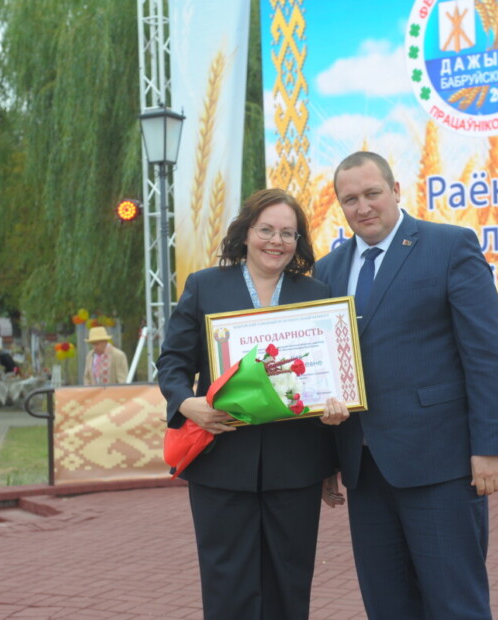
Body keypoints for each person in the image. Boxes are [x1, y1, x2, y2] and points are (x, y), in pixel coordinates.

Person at [313, 152, 498, 619]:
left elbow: (487, 354)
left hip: (440, 464)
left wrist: (491, 447)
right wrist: (327, 460)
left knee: (454, 604)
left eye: (372, 193)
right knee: (387, 605)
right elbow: (325, 370)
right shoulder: (327, 270)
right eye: (350, 199)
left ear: (396, 190)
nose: (363, 207)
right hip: (364, 470)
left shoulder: (450, 246)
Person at [156, 188, 350, 620]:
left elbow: (330, 375)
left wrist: (338, 411)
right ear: (245, 232)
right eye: (266, 230)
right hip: (222, 460)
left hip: (296, 464)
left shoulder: (316, 292)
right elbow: (172, 363)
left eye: (288, 233)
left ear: (298, 241)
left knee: (289, 582)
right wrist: (186, 403)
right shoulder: (204, 285)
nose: (276, 241)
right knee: (227, 584)